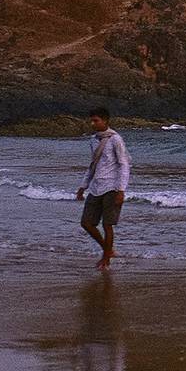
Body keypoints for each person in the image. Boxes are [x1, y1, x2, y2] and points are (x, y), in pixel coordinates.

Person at [76, 107, 131, 270]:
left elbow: (124, 164)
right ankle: (108, 250)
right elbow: (93, 165)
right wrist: (83, 186)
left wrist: (121, 190)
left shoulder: (116, 139)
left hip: (112, 187)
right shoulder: (93, 140)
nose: (93, 123)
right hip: (95, 187)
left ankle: (106, 259)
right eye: (91, 120)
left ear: (105, 120)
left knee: (108, 225)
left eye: (96, 120)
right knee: (86, 223)